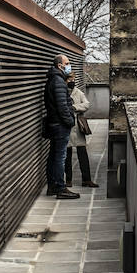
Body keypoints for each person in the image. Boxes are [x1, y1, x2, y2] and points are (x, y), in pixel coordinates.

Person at [43, 53, 79, 199]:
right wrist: (70, 121)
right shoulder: (57, 81)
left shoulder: (56, 79)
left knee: (53, 155)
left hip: (54, 123)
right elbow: (62, 106)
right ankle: (60, 188)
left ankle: (52, 186)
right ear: (60, 65)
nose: (69, 65)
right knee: (59, 157)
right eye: (68, 63)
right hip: (59, 124)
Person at [63, 72, 98, 188]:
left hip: (78, 127)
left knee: (82, 153)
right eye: (69, 79)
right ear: (65, 80)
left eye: (73, 79)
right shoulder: (62, 92)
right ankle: (68, 180)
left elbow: (87, 104)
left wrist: (74, 107)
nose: (72, 81)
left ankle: (86, 179)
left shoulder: (78, 92)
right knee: (67, 156)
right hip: (66, 126)